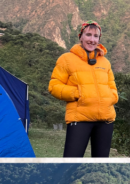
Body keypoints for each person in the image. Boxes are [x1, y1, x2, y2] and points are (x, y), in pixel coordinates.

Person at [48, 20, 119, 158]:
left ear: (99, 39)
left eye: (96, 36)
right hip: (79, 119)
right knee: (71, 163)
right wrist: (77, 93)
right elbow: (54, 86)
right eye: (88, 35)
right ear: (81, 37)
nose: (92, 39)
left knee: (100, 165)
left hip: (105, 120)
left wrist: (111, 98)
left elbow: (112, 87)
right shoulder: (66, 59)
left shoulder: (105, 62)